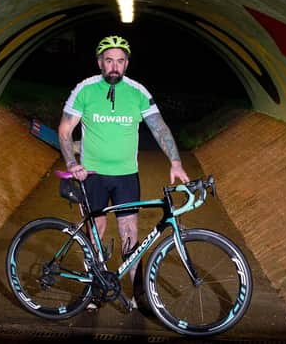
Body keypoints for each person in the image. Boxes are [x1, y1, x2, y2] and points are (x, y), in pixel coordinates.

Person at [58, 35, 189, 309]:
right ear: (100, 63)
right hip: (91, 175)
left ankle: (138, 294)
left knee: (130, 232)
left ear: (127, 63)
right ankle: (95, 290)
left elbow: (160, 129)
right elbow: (65, 130)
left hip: (126, 175)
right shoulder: (85, 89)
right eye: (109, 61)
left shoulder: (138, 92)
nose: (114, 66)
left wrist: (175, 162)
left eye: (119, 61)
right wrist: (72, 164)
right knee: (96, 233)